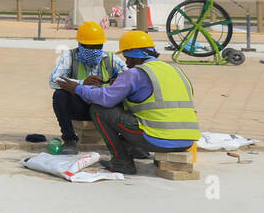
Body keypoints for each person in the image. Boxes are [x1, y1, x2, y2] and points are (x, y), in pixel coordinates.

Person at [56, 29, 201, 174]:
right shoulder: (176, 71)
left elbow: (106, 98)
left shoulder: (135, 73)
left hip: (157, 140)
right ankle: (135, 148)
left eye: (127, 57)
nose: (127, 62)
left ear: (134, 56)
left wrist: (79, 88)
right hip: (187, 142)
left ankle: (122, 161)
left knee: (98, 109)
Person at [47, 21, 123, 154]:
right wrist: (82, 83)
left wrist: (119, 82)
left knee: (127, 96)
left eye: (97, 46)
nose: (94, 51)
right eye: (90, 47)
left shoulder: (111, 59)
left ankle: (125, 141)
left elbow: (131, 78)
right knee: (60, 96)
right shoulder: (69, 56)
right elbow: (54, 81)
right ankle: (70, 140)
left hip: (103, 107)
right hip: (80, 107)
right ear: (80, 45)